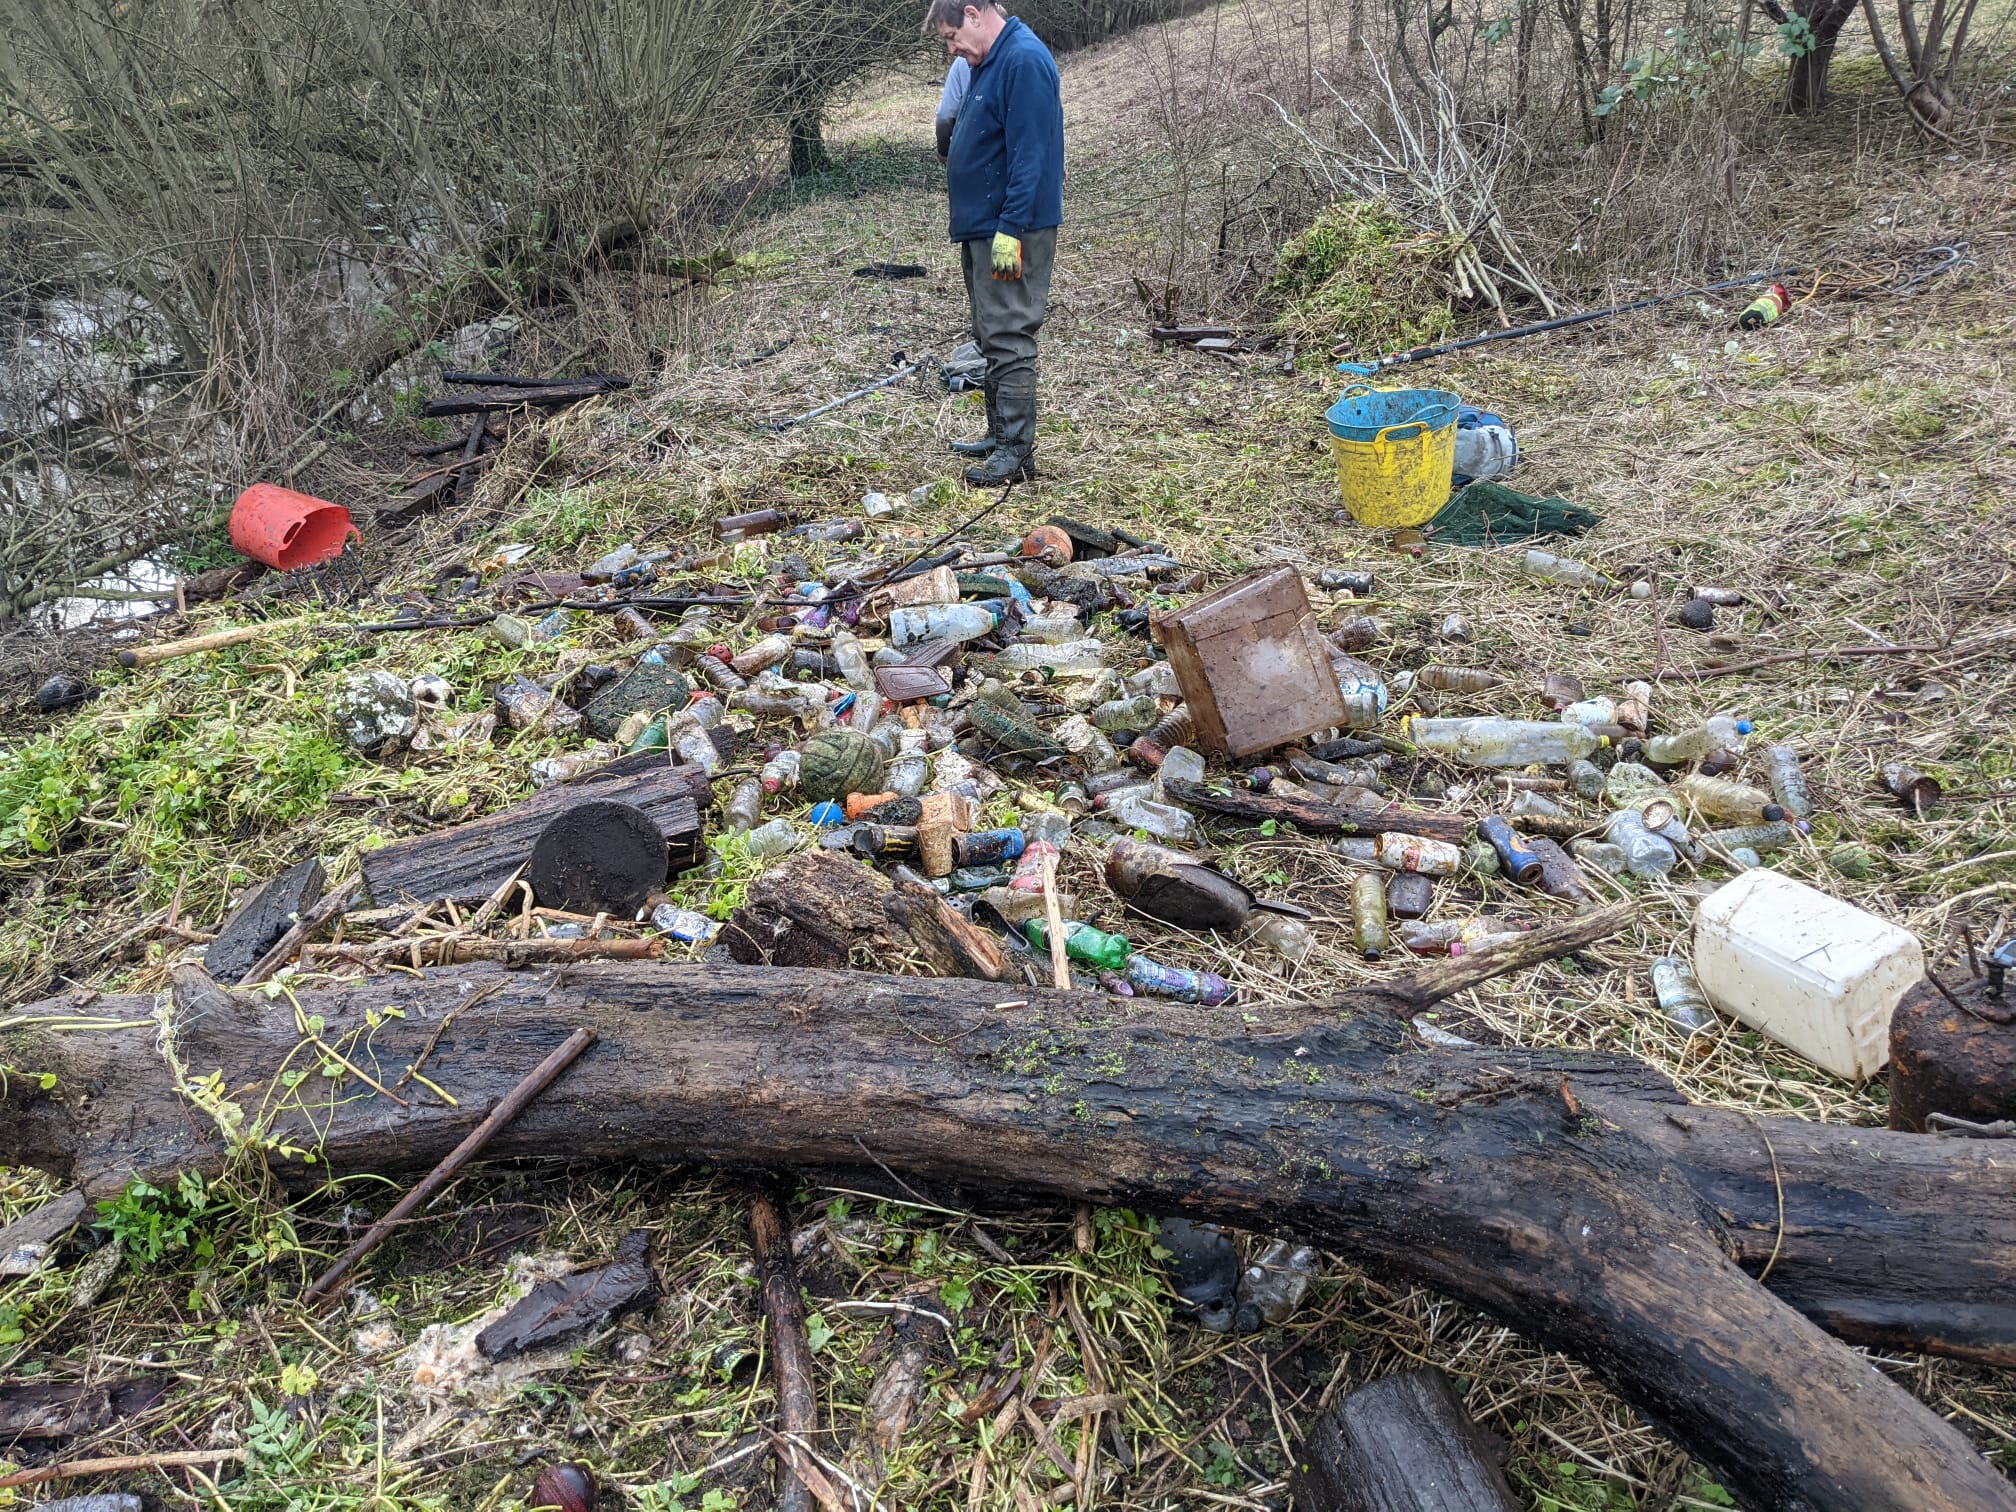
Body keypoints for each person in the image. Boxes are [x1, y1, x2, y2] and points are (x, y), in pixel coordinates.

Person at [928, 0, 1064, 486]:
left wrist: (1011, 229)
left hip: (1011, 228)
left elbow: (1031, 154)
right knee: (990, 331)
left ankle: (1015, 452)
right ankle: (998, 433)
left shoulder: (1023, 59)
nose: (952, 49)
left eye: (951, 36)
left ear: (973, 13)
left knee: (1009, 333)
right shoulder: (992, 59)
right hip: (985, 225)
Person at [935, 56, 969, 162]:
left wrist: (943, 151)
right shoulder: (1015, 55)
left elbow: (945, 115)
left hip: (968, 150)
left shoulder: (962, 60)